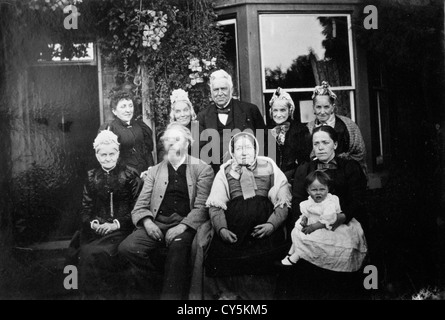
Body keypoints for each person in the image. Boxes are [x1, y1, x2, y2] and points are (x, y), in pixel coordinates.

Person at [118, 122, 214, 300]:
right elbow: (140, 207)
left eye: (176, 139)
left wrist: (182, 227)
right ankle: (156, 286)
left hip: (183, 225)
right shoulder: (154, 171)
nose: (171, 144)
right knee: (127, 248)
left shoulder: (202, 169)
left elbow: (202, 207)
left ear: (187, 143)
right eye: (168, 140)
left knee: (177, 249)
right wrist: (147, 222)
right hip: (157, 222)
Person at [201, 132, 291, 300]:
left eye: (248, 147)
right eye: (239, 148)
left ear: (256, 149)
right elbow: (215, 205)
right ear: (232, 152)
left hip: (264, 226)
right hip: (234, 228)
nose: (243, 152)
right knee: (224, 261)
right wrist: (222, 229)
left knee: (264, 264)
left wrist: (272, 224)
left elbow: (283, 201)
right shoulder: (225, 171)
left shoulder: (269, 166)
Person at [78, 130, 142, 299]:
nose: (108, 158)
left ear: (118, 153)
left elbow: (137, 208)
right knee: (86, 253)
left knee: (105, 253)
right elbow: (85, 209)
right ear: (97, 155)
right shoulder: (91, 177)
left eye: (112, 154)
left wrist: (116, 224)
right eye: (103, 154)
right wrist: (93, 224)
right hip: (96, 231)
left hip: (123, 229)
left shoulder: (130, 175)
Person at [282, 170, 367, 271]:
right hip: (313, 222)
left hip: (328, 226)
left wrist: (313, 227)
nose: (318, 193)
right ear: (308, 190)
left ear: (328, 189)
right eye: (314, 190)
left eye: (322, 189)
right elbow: (306, 213)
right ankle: (291, 252)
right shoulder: (309, 201)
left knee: (310, 236)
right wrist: (304, 219)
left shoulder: (330, 202)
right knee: (296, 230)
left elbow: (328, 219)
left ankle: (297, 255)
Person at [197, 69, 266, 173]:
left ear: (231, 90)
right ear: (211, 92)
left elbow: (263, 142)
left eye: (223, 89)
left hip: (249, 172)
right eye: (216, 90)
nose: (220, 93)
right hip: (216, 175)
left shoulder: (250, 110)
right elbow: (199, 152)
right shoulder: (202, 116)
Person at [307, 81, 368, 177]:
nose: (322, 112)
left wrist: (341, 160)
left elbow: (360, 152)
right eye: (318, 107)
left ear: (333, 107)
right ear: (313, 108)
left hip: (346, 175)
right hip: (317, 177)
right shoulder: (308, 128)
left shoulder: (349, 125)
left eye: (326, 107)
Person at [99, 87, 154, 175]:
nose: (128, 110)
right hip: (123, 178)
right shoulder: (110, 129)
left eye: (130, 106)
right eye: (123, 107)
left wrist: (151, 169)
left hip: (145, 175)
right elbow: (109, 159)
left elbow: (147, 151)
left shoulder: (140, 125)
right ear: (114, 111)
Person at [268, 87, 312, 180]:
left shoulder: (301, 130)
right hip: (271, 178)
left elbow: (304, 162)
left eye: (282, 110)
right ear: (271, 112)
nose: (278, 114)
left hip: (294, 179)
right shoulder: (265, 131)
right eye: (275, 110)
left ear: (290, 110)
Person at [156, 89, 199, 163]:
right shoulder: (167, 135)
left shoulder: (199, 130)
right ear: (174, 115)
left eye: (185, 110)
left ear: (190, 111)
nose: (182, 115)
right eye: (178, 111)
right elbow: (164, 162)